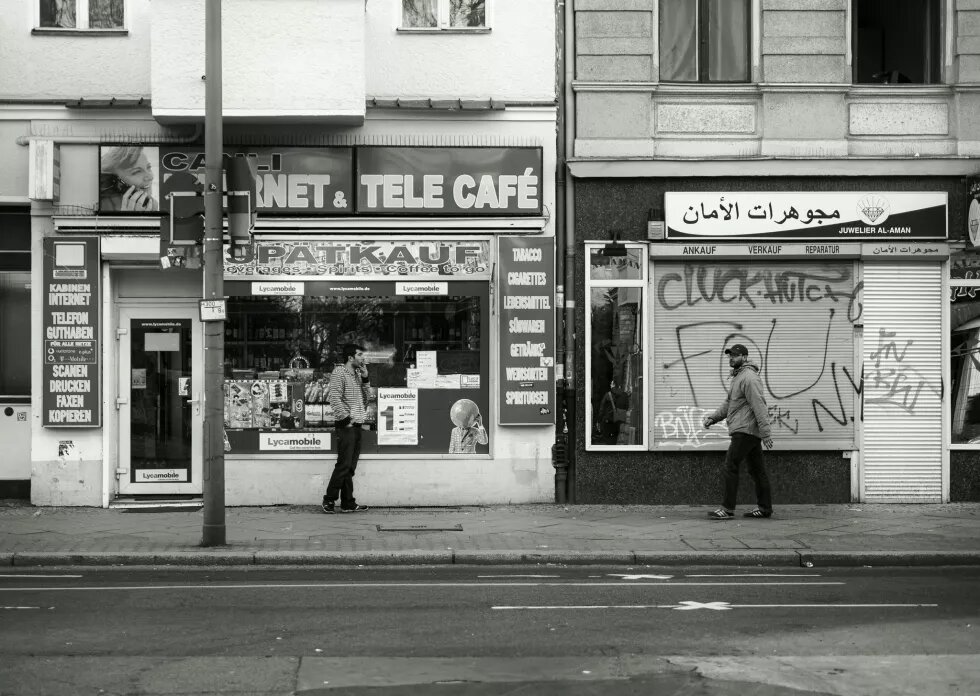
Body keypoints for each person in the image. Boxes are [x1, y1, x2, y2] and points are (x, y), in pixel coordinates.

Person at [701, 343, 774, 520]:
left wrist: (766, 433)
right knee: (757, 471)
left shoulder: (749, 378)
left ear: (744, 357)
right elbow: (729, 403)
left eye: (734, 355)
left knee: (730, 466)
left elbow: (759, 405)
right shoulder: (739, 377)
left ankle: (727, 509)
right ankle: (764, 508)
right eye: (730, 356)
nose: (731, 358)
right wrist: (713, 418)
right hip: (747, 430)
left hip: (744, 430)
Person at [322, 344, 370, 513]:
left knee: (350, 467)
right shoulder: (339, 372)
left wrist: (365, 379)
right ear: (350, 358)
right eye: (360, 355)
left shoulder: (357, 374)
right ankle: (329, 499)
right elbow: (334, 399)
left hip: (357, 425)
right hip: (347, 425)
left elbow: (366, 400)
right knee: (343, 465)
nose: (363, 358)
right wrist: (347, 420)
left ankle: (348, 502)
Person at [99, 146, 158, 212]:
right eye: (137, 171)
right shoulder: (104, 207)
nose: (150, 177)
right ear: (118, 181)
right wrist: (128, 218)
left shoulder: (151, 204)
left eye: (148, 167)